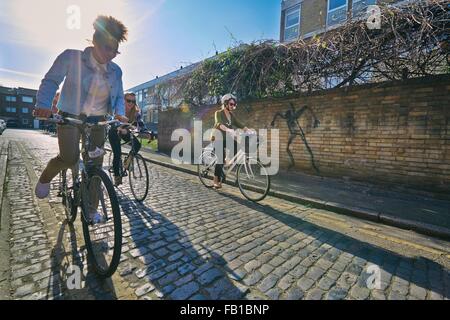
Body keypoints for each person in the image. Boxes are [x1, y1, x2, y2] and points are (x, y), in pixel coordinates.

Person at [33, 15, 129, 223]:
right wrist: (42, 105)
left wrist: (120, 113)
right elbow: (51, 81)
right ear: (94, 41)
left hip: (98, 121)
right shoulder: (71, 57)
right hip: (70, 117)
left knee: (95, 166)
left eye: (114, 50)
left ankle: (91, 209)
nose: (110, 54)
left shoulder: (116, 71)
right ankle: (46, 176)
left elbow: (119, 95)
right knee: (69, 158)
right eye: (106, 47)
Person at [212, 93, 251, 189]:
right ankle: (215, 180)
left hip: (227, 138)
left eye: (234, 104)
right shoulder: (218, 113)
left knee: (237, 148)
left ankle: (226, 161)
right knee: (220, 159)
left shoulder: (231, 115)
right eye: (231, 104)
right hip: (218, 138)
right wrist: (228, 129)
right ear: (225, 104)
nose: (233, 106)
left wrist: (249, 130)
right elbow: (218, 123)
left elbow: (239, 124)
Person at [108, 92, 143, 186]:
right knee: (117, 153)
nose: (131, 103)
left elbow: (140, 123)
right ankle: (117, 176)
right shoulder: (118, 109)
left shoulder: (135, 112)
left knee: (137, 145)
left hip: (125, 131)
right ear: (123, 101)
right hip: (114, 131)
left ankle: (127, 161)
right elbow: (112, 119)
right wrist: (119, 127)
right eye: (128, 101)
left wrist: (147, 132)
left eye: (133, 101)